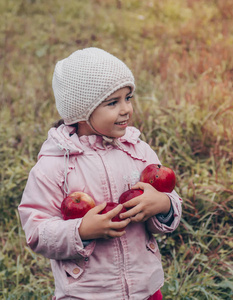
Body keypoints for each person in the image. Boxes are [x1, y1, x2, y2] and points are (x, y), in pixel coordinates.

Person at [18, 47, 182, 300]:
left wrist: (162, 204)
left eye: (128, 97)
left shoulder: (138, 152)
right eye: (113, 102)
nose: (126, 109)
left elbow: (170, 202)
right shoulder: (55, 166)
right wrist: (80, 231)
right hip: (87, 292)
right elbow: (36, 231)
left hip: (144, 289)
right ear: (82, 112)